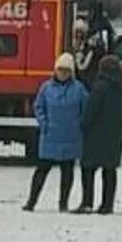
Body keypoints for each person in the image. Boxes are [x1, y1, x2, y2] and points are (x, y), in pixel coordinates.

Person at [25, 53, 87, 211]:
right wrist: (44, 124)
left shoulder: (79, 89)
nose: (63, 73)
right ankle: (31, 201)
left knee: (67, 172)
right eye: (60, 69)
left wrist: (79, 125)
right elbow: (38, 106)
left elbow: (86, 109)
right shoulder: (46, 88)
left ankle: (63, 203)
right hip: (50, 136)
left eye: (66, 70)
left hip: (70, 137)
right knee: (41, 170)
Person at [77, 55, 122, 214]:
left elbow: (91, 110)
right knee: (109, 170)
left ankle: (87, 202)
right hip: (114, 136)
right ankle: (107, 204)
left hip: (95, 135)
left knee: (88, 169)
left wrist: (84, 126)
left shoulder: (100, 86)